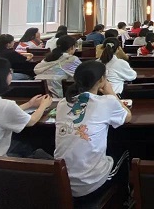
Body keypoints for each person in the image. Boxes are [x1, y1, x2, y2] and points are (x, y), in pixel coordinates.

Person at [55, 61, 131, 198]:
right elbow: (128, 116)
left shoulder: (62, 103)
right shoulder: (108, 101)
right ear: (102, 80)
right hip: (89, 185)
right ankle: (124, 198)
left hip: (61, 181)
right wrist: (111, 93)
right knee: (125, 152)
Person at [0, 57, 52, 157]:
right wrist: (43, 105)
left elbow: (0, 115)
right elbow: (31, 121)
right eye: (9, 71)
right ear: (0, 77)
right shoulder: (4, 106)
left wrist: (29, 104)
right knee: (38, 143)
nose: (11, 74)